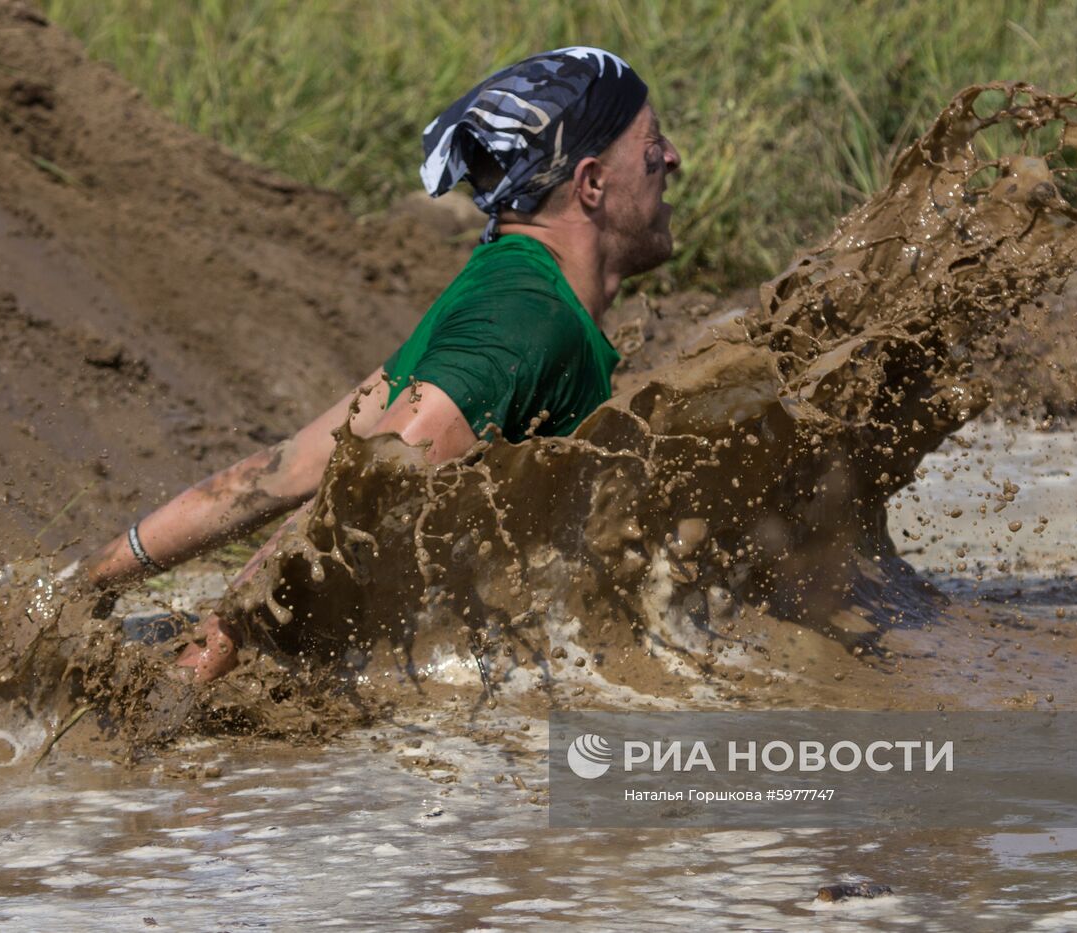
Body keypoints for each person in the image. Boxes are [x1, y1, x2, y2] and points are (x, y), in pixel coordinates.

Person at [79, 47, 681, 683]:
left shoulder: (505, 282)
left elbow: (282, 472)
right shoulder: (531, 319)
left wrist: (79, 590)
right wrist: (196, 673)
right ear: (591, 184)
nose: (670, 160)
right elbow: (375, 479)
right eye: (652, 148)